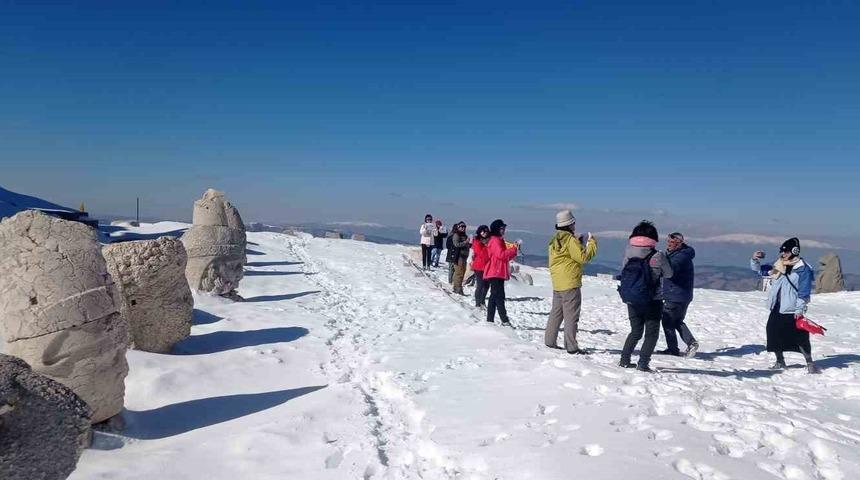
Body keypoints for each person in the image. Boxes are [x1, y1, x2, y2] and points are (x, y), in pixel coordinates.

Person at [750, 238, 818, 373]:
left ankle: (809, 362)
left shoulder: (803, 268)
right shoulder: (779, 265)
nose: (783, 254)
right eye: (781, 251)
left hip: (792, 308)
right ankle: (780, 361)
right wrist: (755, 260)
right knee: (773, 333)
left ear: (794, 251)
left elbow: (804, 291)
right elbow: (762, 272)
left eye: (786, 251)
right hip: (777, 305)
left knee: (800, 336)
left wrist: (800, 308)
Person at [618, 221, 673, 372]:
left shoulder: (628, 253)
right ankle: (643, 363)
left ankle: (624, 360)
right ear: (653, 238)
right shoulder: (657, 255)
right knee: (651, 333)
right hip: (652, 300)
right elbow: (669, 274)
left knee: (635, 331)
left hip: (632, 298)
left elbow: (623, 272)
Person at [545, 210, 598, 354]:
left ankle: (549, 342)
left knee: (556, 313)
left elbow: (564, 257)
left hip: (557, 283)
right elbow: (583, 257)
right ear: (569, 224)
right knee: (571, 316)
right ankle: (571, 347)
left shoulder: (553, 241)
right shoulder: (570, 240)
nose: (575, 225)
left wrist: (577, 242)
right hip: (570, 283)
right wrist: (592, 243)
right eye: (573, 223)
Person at [658, 232, 699, 358]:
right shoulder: (683, 254)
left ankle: (675, 348)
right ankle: (688, 343)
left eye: (672, 243)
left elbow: (669, 270)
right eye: (669, 242)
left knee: (668, 321)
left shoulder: (679, 257)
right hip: (682, 294)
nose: (669, 245)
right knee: (676, 321)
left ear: (679, 243)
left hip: (675, 294)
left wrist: (659, 261)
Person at [484, 219, 520, 326]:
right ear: (497, 229)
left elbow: (504, 257)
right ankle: (503, 320)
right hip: (496, 271)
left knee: (496, 296)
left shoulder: (498, 240)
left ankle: (492, 319)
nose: (504, 230)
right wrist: (513, 249)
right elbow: (501, 255)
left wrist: (514, 251)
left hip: (498, 271)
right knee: (498, 296)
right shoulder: (495, 240)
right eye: (502, 228)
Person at [471, 225, 491, 308]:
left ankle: (482, 301)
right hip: (479, 266)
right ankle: (477, 303)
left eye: (486, 231)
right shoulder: (476, 241)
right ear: (479, 232)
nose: (484, 233)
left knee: (487, 285)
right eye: (483, 231)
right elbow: (480, 252)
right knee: (480, 285)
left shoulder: (489, 241)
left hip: (488, 266)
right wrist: (487, 246)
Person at [450, 222, 471, 295]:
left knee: (461, 271)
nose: (463, 228)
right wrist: (466, 242)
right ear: (458, 227)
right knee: (459, 272)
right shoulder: (456, 235)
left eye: (464, 227)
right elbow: (456, 244)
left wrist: (469, 243)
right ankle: (458, 288)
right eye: (461, 227)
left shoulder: (464, 235)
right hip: (459, 256)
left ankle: (457, 287)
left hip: (464, 256)